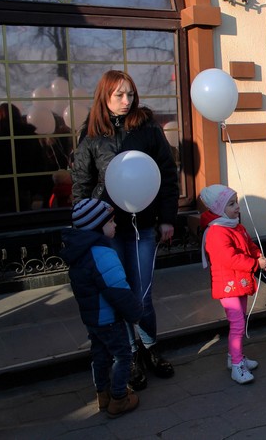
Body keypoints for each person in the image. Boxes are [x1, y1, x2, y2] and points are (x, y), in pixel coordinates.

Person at [72, 70, 179, 390]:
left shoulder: (147, 129)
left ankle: (150, 348)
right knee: (120, 295)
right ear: (104, 97)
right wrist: (95, 224)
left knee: (143, 294)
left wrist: (167, 218)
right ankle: (130, 354)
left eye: (130, 94)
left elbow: (167, 174)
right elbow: (81, 187)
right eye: (119, 95)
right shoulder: (90, 137)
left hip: (144, 227)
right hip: (109, 231)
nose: (126, 101)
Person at [62, 198, 142, 418]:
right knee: (123, 356)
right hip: (108, 318)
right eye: (111, 222)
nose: (115, 225)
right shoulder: (102, 253)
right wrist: (135, 312)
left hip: (92, 318)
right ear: (97, 226)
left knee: (99, 355)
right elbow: (117, 290)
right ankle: (119, 398)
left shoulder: (79, 252)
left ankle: (103, 395)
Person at [199, 184, 266, 385]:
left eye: (236, 202)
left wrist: (258, 255)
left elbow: (249, 245)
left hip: (240, 281)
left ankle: (234, 357)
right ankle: (237, 364)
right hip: (228, 284)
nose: (237, 207)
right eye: (231, 204)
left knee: (240, 320)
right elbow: (230, 259)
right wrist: (255, 264)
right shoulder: (216, 232)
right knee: (237, 324)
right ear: (218, 208)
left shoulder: (235, 225)